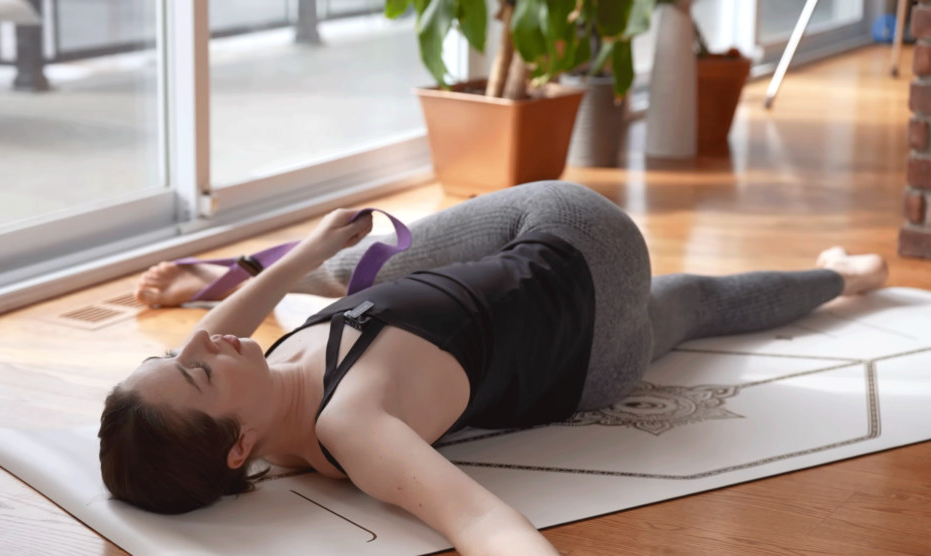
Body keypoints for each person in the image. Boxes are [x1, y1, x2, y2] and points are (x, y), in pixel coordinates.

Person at [100, 181, 888, 556]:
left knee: (696, 301)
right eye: (196, 372)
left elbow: (208, 342)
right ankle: (843, 276)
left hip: (574, 344)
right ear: (237, 448)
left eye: (180, 351)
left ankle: (846, 276)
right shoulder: (353, 422)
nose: (205, 345)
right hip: (577, 246)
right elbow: (481, 521)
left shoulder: (254, 401)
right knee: (391, 263)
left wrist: (298, 251)